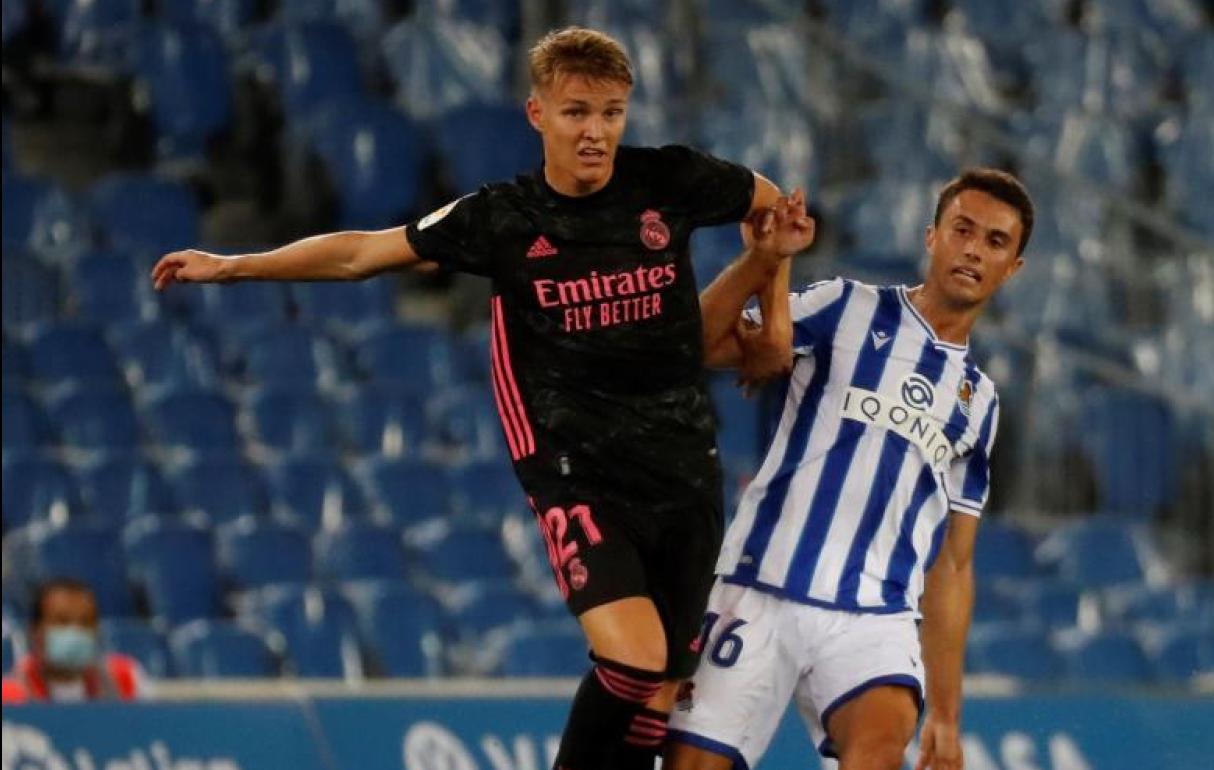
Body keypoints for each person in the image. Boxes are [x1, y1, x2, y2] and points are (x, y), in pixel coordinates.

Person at [151, 26, 813, 770]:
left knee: (660, 693)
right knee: (633, 663)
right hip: (579, 472)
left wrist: (774, 311)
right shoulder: (503, 218)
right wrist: (233, 266)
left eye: (611, 113)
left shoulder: (671, 179)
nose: (595, 133)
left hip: (686, 466)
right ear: (537, 114)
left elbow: (774, 212)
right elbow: (362, 252)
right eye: (576, 112)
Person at [665, 169, 1035, 770]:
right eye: (962, 229)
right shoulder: (845, 307)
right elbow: (701, 344)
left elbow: (954, 563)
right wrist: (762, 261)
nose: (973, 249)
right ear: (931, 237)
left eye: (995, 242)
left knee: (878, 754)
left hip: (874, 617)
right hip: (759, 588)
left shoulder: (981, 403)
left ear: (1012, 267)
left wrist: (946, 714)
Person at [2, 578, 149, 703]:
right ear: (34, 631)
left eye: (86, 622)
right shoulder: (10, 695)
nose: (76, 631)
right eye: (62, 621)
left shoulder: (126, 679)